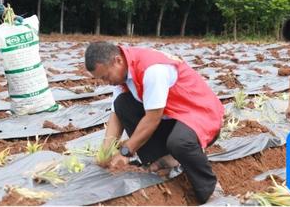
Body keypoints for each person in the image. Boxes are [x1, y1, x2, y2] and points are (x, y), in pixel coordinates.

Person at [85, 42, 224, 204]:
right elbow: (116, 115)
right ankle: (166, 159)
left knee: (179, 142)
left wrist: (125, 152)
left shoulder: (152, 70)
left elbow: (152, 119)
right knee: (123, 104)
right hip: (173, 115)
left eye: (105, 76)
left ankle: (211, 189)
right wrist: (106, 152)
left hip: (201, 113)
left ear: (117, 61)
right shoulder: (122, 73)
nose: (106, 82)